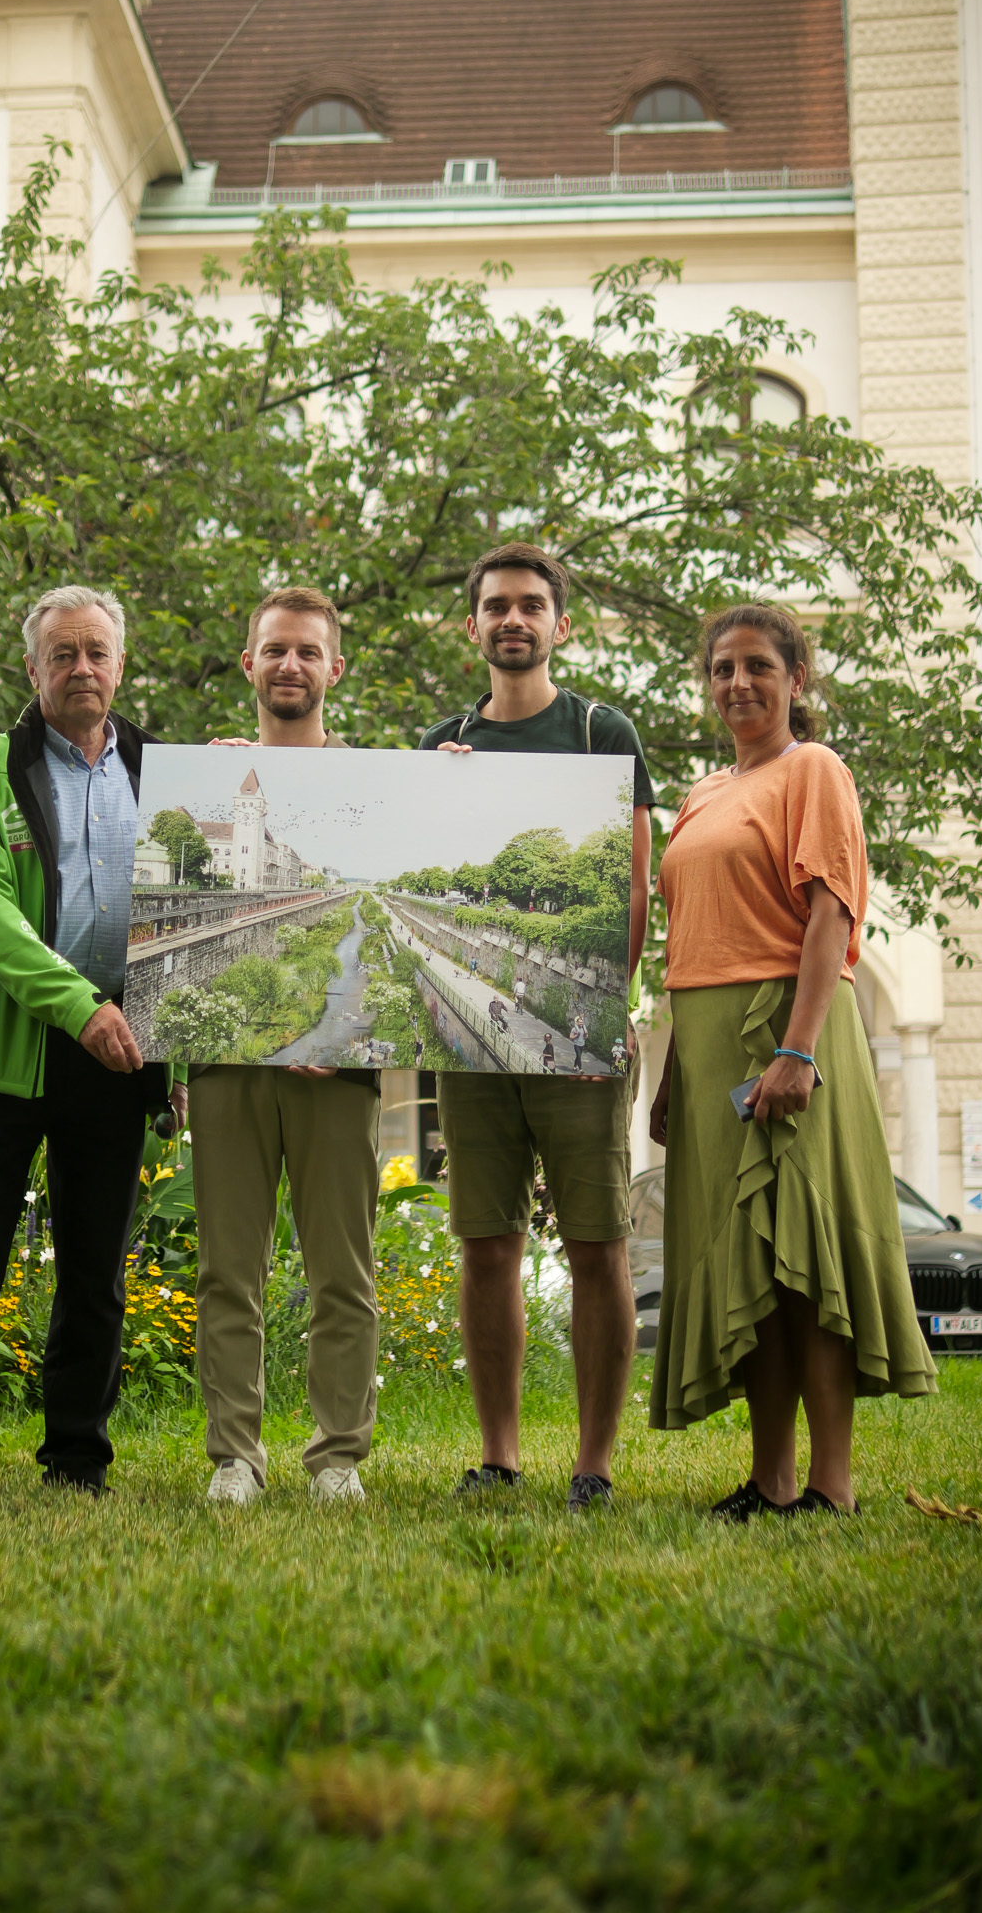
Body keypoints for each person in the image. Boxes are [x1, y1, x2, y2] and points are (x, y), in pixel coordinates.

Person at [648, 602, 936, 1516]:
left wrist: (798, 1049)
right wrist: (669, 1075)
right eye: (721, 669)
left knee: (805, 1261)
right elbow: (686, 941)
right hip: (703, 1043)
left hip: (787, 1030)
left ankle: (830, 1483)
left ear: (794, 680)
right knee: (749, 1269)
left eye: (757, 667)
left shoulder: (811, 769)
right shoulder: (699, 795)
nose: (737, 684)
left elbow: (830, 915)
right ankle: (768, 1479)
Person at [0, 585, 184, 1499]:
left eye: (96, 652)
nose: (81, 669)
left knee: (97, 1268)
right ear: (32, 670)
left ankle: (76, 1455)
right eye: (61, 655)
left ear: (120, 665)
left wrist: (168, 1042)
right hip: (5, 1047)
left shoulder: (167, 774)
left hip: (124, 1049)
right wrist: (80, 1009)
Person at [420, 543, 654, 1514]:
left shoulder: (601, 730)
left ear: (560, 624)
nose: (512, 619)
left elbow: (635, 883)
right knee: (486, 1238)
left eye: (529, 605)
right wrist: (430, 792)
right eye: (495, 606)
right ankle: (500, 1452)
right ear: (471, 626)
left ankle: (593, 1461)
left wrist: (605, 1009)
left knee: (595, 1241)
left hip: (578, 1034)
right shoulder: (441, 741)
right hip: (469, 1035)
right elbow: (421, 870)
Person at [193, 586, 381, 1506]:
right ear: (250, 664)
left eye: (308, 652)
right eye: (275, 651)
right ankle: (236, 1453)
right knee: (229, 1265)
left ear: (333, 669)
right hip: (229, 1064)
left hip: (335, 1071)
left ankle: (337, 1454)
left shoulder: (381, 782)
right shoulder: (213, 779)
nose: (290, 666)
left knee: (341, 1267)